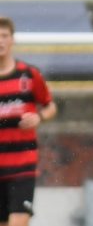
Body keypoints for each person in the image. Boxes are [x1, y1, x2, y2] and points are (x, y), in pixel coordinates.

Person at [0, 16, 57, 226]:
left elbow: (50, 105)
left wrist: (39, 117)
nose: (0, 41)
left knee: (19, 223)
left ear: (13, 40)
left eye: (4, 36)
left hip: (22, 166)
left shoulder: (29, 75)